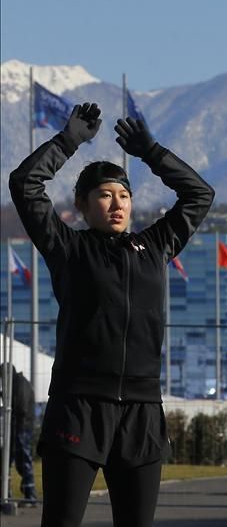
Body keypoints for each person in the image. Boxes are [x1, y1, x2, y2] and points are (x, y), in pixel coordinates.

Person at [9, 103, 215, 527]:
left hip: (141, 414)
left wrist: (151, 152)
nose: (117, 204)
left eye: (124, 195)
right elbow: (25, 184)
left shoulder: (155, 247)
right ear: (82, 204)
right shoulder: (69, 249)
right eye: (105, 195)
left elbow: (200, 194)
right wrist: (68, 141)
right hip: (79, 406)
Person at [1, 363, 38, 505]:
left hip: (21, 428)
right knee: (20, 460)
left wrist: (13, 420)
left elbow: (20, 408)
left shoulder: (19, 385)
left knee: (24, 460)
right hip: (22, 427)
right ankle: (26, 492)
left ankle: (30, 496)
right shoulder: (19, 383)